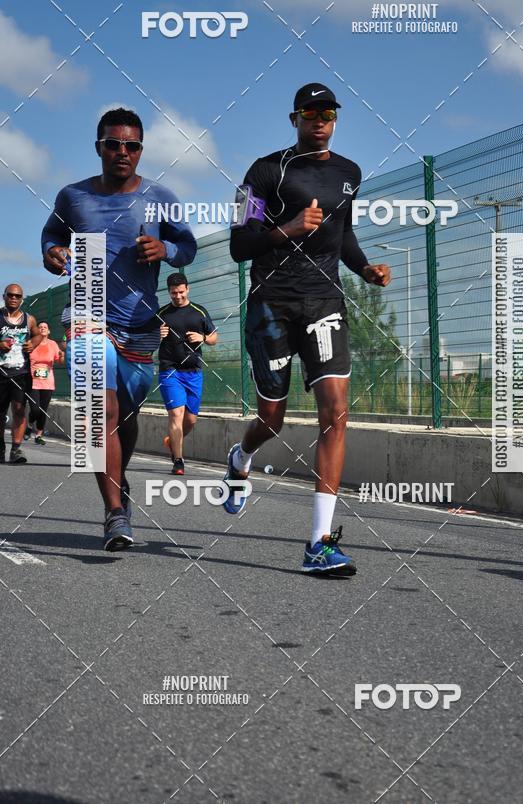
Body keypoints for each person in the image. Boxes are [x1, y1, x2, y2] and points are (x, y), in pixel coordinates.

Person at [225, 83, 391, 575]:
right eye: (310, 113)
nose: (320, 120)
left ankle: (319, 541)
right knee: (271, 420)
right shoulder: (261, 171)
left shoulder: (349, 174)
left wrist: (366, 271)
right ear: (294, 118)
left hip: (324, 302)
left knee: (336, 412)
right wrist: (288, 230)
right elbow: (240, 243)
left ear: (336, 119)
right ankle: (241, 456)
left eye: (329, 112)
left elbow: (346, 236)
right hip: (272, 305)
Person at [41, 108, 197, 551]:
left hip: (141, 324)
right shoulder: (73, 197)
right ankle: (114, 512)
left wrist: (165, 247)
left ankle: (118, 480)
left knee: (125, 416)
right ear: (99, 148)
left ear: (141, 150)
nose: (122, 152)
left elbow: (188, 248)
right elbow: (51, 234)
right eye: (113, 144)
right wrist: (52, 252)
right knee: (100, 413)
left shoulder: (161, 195)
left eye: (131, 145)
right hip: (87, 311)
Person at [157, 273, 218, 475]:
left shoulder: (199, 311)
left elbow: (214, 338)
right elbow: (147, 340)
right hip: (169, 369)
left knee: (190, 420)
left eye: (181, 292)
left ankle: (173, 442)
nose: (178, 296)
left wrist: (202, 337)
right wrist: (157, 335)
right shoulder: (162, 314)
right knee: (176, 414)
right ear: (169, 292)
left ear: (188, 289)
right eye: (174, 293)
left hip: (193, 371)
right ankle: (178, 461)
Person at [0, 284, 42, 464]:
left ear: (22, 298)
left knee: (19, 409)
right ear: (4, 296)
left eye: (17, 296)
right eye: (10, 295)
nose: (13, 298)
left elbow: (38, 335)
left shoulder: (29, 319)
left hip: (20, 372)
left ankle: (16, 449)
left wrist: (33, 343)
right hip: (1, 372)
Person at [24, 320, 64, 444]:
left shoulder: (53, 344)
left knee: (43, 410)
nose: (42, 328)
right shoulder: (31, 343)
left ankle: (39, 435)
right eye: (40, 327)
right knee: (35, 409)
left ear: (49, 331)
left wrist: (62, 355)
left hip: (48, 382)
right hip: (33, 381)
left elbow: (60, 361)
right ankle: (30, 425)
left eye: (45, 327)